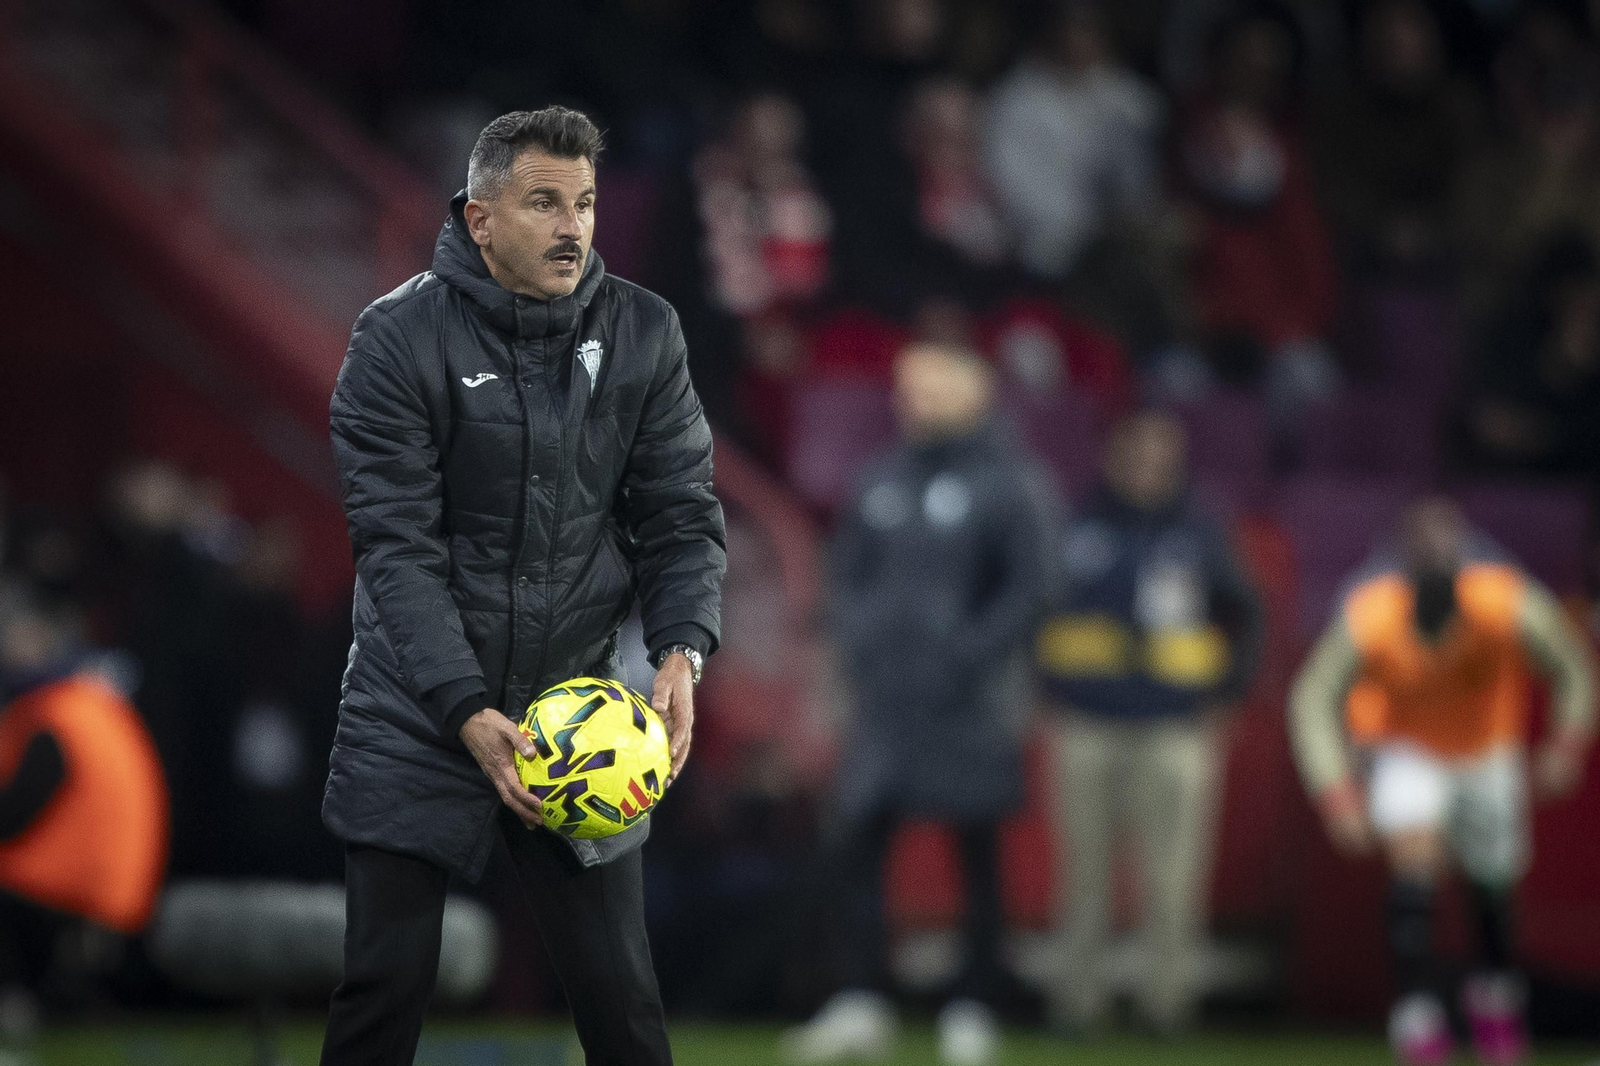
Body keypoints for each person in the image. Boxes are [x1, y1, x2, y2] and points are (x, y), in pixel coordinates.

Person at [319, 107, 727, 1066]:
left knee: (623, 1002)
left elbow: (680, 513)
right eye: (543, 202)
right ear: (478, 219)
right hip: (416, 709)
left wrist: (682, 651)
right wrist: (462, 705)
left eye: (583, 203)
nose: (572, 227)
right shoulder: (395, 341)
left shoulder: (644, 331)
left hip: (573, 714)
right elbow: (396, 551)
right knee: (384, 990)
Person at [783, 343, 1052, 1066]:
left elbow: (1030, 588)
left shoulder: (1011, 484)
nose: (914, 400)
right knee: (859, 850)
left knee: (977, 853)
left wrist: (966, 655)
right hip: (884, 702)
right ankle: (862, 999)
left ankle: (973, 1008)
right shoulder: (881, 479)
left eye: (933, 386)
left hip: (969, 703)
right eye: (907, 387)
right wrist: (859, 642)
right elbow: (845, 574)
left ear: (976, 393)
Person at [1289, 498, 1595, 1066]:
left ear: (1464, 548)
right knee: (1414, 868)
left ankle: (1496, 1002)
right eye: (1421, 540)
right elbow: (1312, 695)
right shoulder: (1372, 610)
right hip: (1410, 749)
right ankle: (1418, 1016)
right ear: (1401, 553)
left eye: (1444, 538)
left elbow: (1573, 666)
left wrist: (1566, 742)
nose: (1434, 551)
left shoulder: (1505, 600)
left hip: (1486, 751)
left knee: (1492, 885)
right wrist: (1336, 793)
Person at [1035, 410, 1263, 1035]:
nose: (1145, 464)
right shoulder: (1073, 521)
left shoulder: (1202, 528)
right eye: (1133, 451)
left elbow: (1247, 614)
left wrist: (1230, 694)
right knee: (1082, 873)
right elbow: (1031, 607)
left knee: (1173, 875)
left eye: (1159, 453)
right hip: (1086, 721)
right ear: (1111, 456)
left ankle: (1169, 1007)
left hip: (1175, 725)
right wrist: (1044, 687)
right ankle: (1078, 1006)